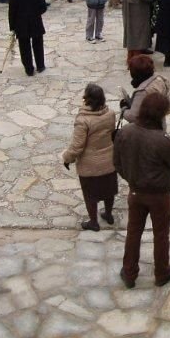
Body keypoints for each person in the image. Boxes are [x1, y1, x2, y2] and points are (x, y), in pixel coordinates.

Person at [113, 92, 170, 289]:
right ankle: (161, 273)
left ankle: (129, 272)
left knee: (133, 232)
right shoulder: (162, 140)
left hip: (135, 192)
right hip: (159, 195)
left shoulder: (125, 132)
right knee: (160, 234)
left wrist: (131, 179)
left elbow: (117, 162)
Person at [63, 84, 118, 231]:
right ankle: (108, 214)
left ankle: (93, 222)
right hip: (109, 161)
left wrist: (67, 158)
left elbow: (77, 146)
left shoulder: (83, 120)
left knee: (90, 195)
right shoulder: (110, 114)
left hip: (90, 165)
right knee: (109, 191)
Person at [9, 0, 47, 76]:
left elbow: (12, 12)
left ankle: (29, 69)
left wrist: (12, 26)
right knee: (38, 44)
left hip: (21, 23)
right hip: (35, 21)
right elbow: (43, 7)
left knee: (24, 47)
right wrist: (36, 13)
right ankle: (40, 65)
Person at [122, 54, 170, 125]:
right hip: (160, 124)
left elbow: (133, 117)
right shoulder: (160, 79)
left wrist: (124, 109)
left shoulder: (143, 91)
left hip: (147, 127)